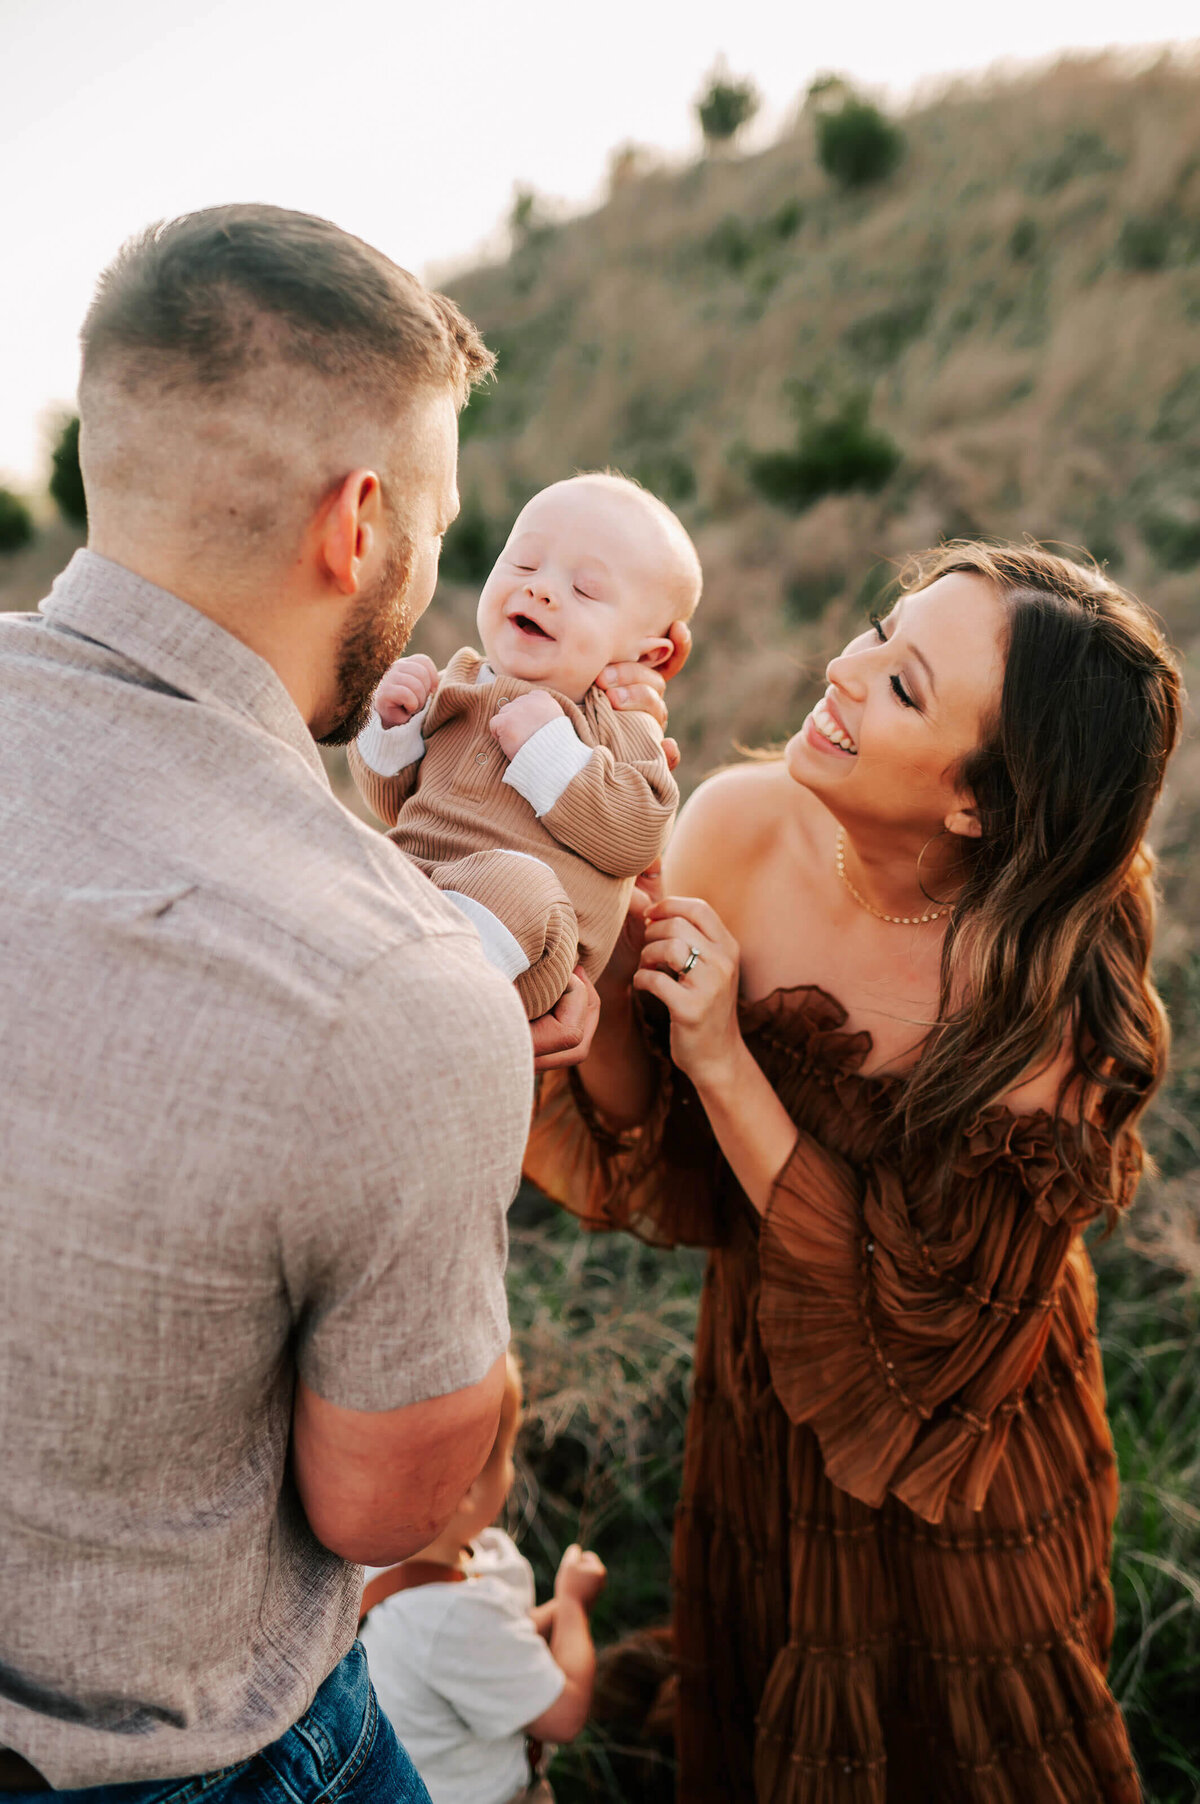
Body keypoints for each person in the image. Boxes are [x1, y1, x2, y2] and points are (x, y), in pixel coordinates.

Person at [0, 202, 633, 1804]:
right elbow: (397, 1513)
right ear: (358, 524)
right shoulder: (392, 1005)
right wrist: (456, 1072)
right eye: (438, 525)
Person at [525, 542, 1182, 1803]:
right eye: (883, 630)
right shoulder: (735, 823)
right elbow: (649, 1145)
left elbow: (923, 1330)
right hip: (765, 1379)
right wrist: (608, 954)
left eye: (902, 686)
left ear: (978, 806)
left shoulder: (1051, 989)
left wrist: (726, 1057)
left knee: (978, 1719)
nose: (841, 665)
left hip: (965, 1429)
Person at [349, 473, 702, 1019]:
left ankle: (422, 997)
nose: (540, 589)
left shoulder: (620, 720)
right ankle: (370, 964)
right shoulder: (459, 679)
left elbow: (638, 834)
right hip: (414, 884)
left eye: (585, 589)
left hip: (532, 943)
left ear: (647, 654)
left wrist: (549, 753)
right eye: (523, 563)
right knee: (339, 841)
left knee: (518, 883)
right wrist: (390, 724)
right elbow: (391, 801)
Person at [360, 1354, 607, 1804]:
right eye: (508, 1452)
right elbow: (565, 1716)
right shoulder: (449, 1614)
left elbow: (489, 1643)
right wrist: (572, 1604)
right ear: (469, 1489)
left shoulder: (374, 1562)